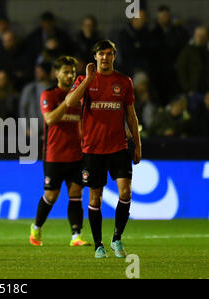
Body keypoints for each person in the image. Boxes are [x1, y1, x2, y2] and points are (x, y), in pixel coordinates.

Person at [65, 40, 141, 258]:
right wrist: (88, 79)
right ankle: (99, 245)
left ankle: (116, 239)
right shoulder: (85, 80)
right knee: (94, 198)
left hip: (118, 147)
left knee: (125, 193)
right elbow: (70, 102)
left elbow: (131, 116)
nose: (105, 57)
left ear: (114, 56)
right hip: (92, 150)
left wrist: (138, 144)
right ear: (95, 56)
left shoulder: (123, 82)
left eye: (109, 53)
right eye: (101, 54)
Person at [29, 56, 91, 247]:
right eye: (66, 71)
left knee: (76, 193)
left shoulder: (81, 97)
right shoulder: (49, 95)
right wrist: (68, 101)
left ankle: (76, 236)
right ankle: (36, 227)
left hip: (76, 155)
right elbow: (50, 120)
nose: (70, 75)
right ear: (56, 73)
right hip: (54, 154)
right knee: (51, 196)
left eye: (72, 71)